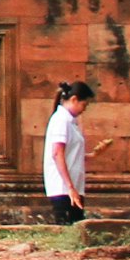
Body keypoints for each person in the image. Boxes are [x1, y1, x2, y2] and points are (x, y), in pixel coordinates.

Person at [42, 80, 100, 224]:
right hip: (63, 188)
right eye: (83, 105)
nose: (84, 109)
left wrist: (92, 155)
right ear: (74, 100)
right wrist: (70, 187)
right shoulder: (61, 120)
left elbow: (69, 154)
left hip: (72, 187)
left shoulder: (70, 122)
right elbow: (57, 153)